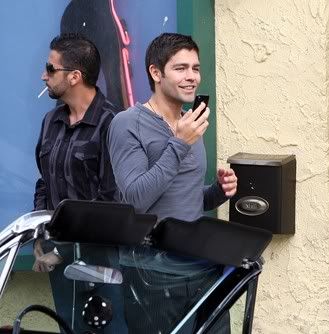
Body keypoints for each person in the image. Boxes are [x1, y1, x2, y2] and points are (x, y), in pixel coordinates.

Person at [107, 33, 237, 333]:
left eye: (195, 68)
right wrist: (178, 144)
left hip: (202, 267)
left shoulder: (190, 122)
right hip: (153, 272)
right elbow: (137, 200)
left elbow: (180, 200)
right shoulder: (127, 124)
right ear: (156, 72)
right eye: (181, 68)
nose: (192, 77)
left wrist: (218, 192)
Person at [32, 33, 125, 333]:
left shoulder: (112, 123)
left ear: (74, 76)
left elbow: (110, 201)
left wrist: (60, 251)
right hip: (59, 263)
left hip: (102, 264)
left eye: (50, 68)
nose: (43, 75)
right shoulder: (51, 121)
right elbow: (44, 182)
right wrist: (39, 236)